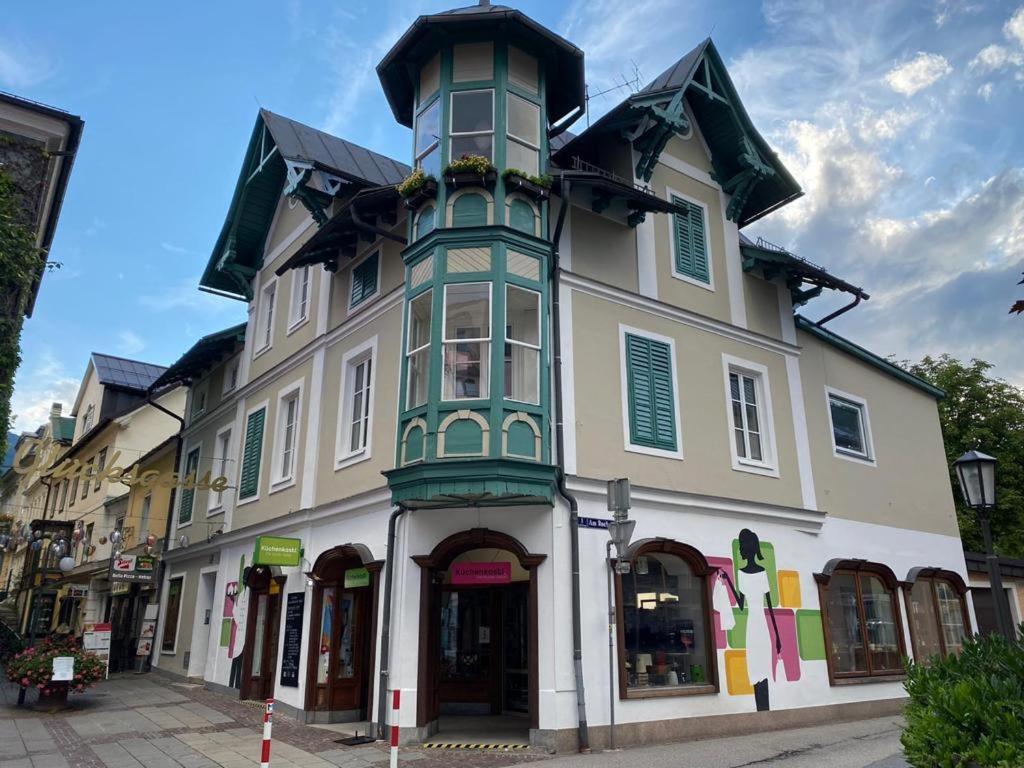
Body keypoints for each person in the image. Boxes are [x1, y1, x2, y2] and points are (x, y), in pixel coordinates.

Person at [718, 528, 781, 711]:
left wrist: (776, 637)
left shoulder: (762, 572)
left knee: (763, 669)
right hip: (751, 627)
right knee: (754, 668)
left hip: (761, 626)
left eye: (742, 546)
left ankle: (765, 709)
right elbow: (741, 604)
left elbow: (769, 608)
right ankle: (761, 710)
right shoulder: (741, 573)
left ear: (748, 548)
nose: (740, 550)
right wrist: (729, 580)